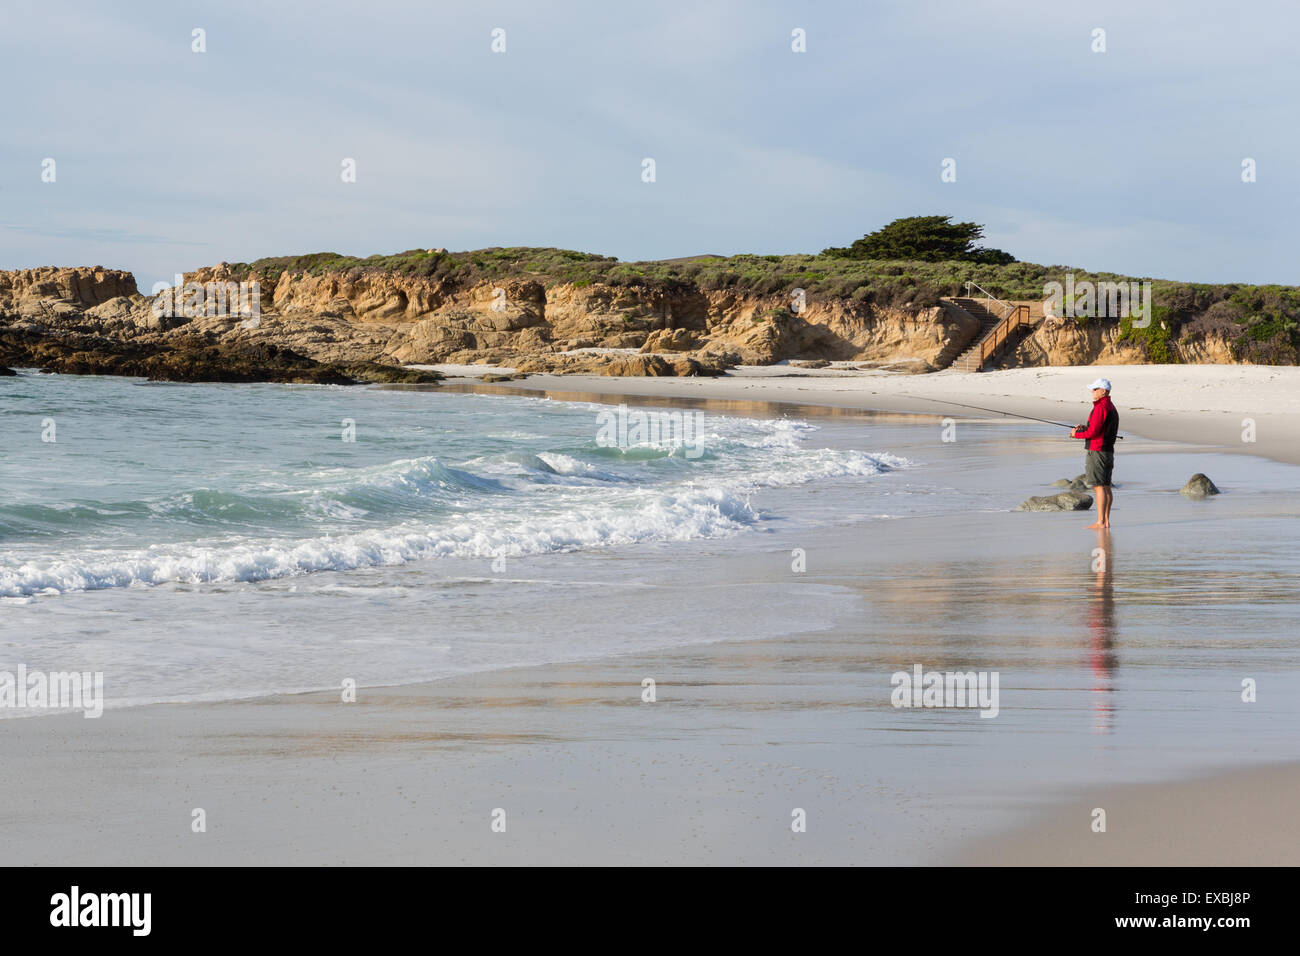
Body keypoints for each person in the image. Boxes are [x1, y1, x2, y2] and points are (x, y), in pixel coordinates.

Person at [1071, 378, 1119, 529]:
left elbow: (1094, 432)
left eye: (1095, 389)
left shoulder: (1101, 407)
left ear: (1103, 391)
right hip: (1107, 450)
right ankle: (1105, 521)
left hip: (1098, 451)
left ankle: (1100, 522)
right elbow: (1098, 428)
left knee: (1099, 486)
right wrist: (1085, 427)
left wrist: (1075, 434)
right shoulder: (1109, 406)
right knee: (1105, 486)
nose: (1092, 392)